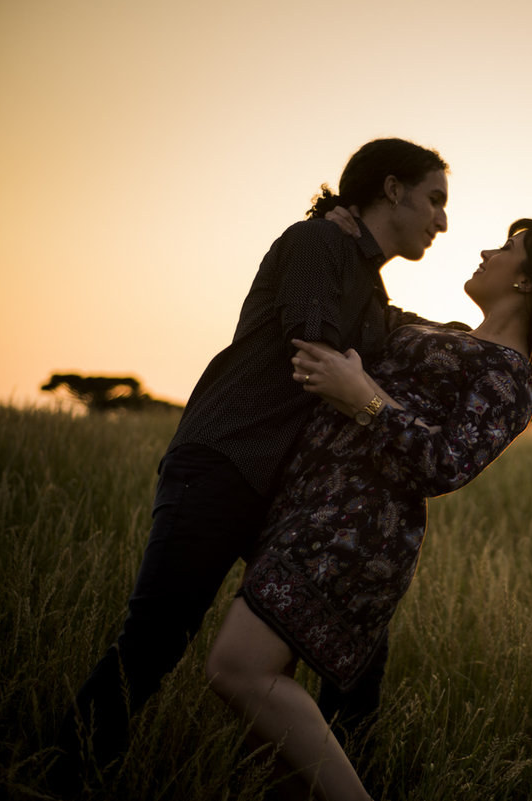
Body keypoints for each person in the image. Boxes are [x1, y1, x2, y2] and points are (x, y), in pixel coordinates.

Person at [48, 138, 454, 792]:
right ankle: (59, 777)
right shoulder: (317, 243)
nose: (442, 221)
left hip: (284, 495)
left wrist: (483, 340)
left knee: (356, 652)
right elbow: (315, 350)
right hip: (222, 462)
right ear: (391, 188)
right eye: (434, 200)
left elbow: (385, 337)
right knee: (155, 638)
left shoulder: (369, 285)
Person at [204, 217, 532, 800]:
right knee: (271, 747)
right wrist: (349, 225)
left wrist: (361, 396)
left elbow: (445, 464)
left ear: (529, 282)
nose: (488, 251)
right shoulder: (444, 332)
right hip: (306, 511)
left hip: (355, 532)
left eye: (508, 247)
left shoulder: (510, 376)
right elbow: (369, 311)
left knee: (236, 669)